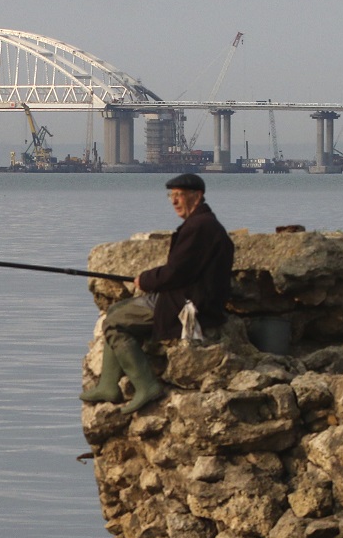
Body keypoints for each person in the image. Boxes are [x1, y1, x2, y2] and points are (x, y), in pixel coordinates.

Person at [81, 173, 235, 413]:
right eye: (171, 196)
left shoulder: (199, 227)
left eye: (179, 195)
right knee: (116, 310)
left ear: (198, 196)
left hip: (187, 304)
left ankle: (145, 385)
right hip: (185, 296)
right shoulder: (204, 224)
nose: (174, 201)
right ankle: (108, 384)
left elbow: (176, 272)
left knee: (114, 323)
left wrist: (146, 279)